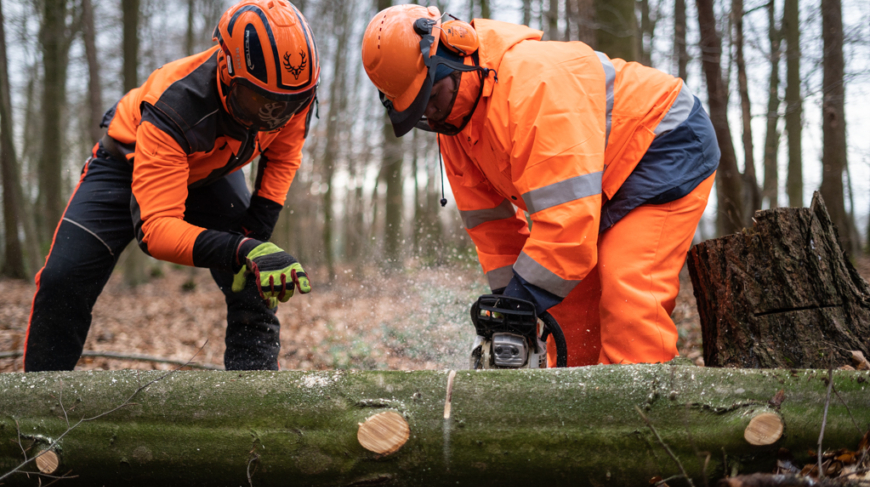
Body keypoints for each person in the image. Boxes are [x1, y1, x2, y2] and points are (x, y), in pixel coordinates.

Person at [361, 5, 719, 366]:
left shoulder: (531, 84)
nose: (432, 117)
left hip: (660, 143)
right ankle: (570, 413)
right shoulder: (455, 129)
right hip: (596, 180)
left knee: (627, 289)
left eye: (432, 100)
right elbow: (493, 230)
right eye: (421, 111)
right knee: (569, 311)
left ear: (455, 52)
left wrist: (523, 299)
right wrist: (509, 308)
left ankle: (644, 414)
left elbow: (568, 224)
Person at [23, 0, 319, 372]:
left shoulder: (293, 93)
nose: (270, 116)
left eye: (284, 106)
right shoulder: (175, 103)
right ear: (228, 68)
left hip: (210, 172)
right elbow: (156, 230)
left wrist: (257, 232)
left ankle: (253, 404)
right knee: (62, 280)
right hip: (125, 166)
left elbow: (284, 155)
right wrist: (240, 247)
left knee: (255, 280)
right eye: (258, 100)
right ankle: (40, 405)